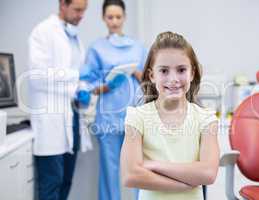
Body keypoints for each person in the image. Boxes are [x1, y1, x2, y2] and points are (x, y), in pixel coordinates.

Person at [121, 31, 220, 200]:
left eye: (181, 70)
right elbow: (131, 175)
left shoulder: (206, 119)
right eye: (164, 71)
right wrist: (184, 183)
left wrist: (154, 165)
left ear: (192, 73)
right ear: (152, 75)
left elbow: (208, 173)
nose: (173, 79)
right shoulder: (137, 116)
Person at [78, 0, 147, 199]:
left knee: (137, 170)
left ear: (124, 17)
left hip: (135, 115)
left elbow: (151, 79)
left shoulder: (138, 47)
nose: (114, 21)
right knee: (110, 170)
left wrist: (135, 72)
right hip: (108, 117)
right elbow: (86, 83)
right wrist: (106, 86)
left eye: (118, 17)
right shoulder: (97, 48)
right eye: (110, 17)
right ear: (103, 18)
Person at [28, 0, 88, 200]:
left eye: (84, 10)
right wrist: (74, 78)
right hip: (50, 119)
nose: (81, 15)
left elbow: (79, 74)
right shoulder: (43, 32)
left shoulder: (74, 38)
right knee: (52, 181)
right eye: (77, 9)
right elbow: (38, 76)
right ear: (63, 4)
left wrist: (82, 89)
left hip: (72, 117)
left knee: (66, 179)